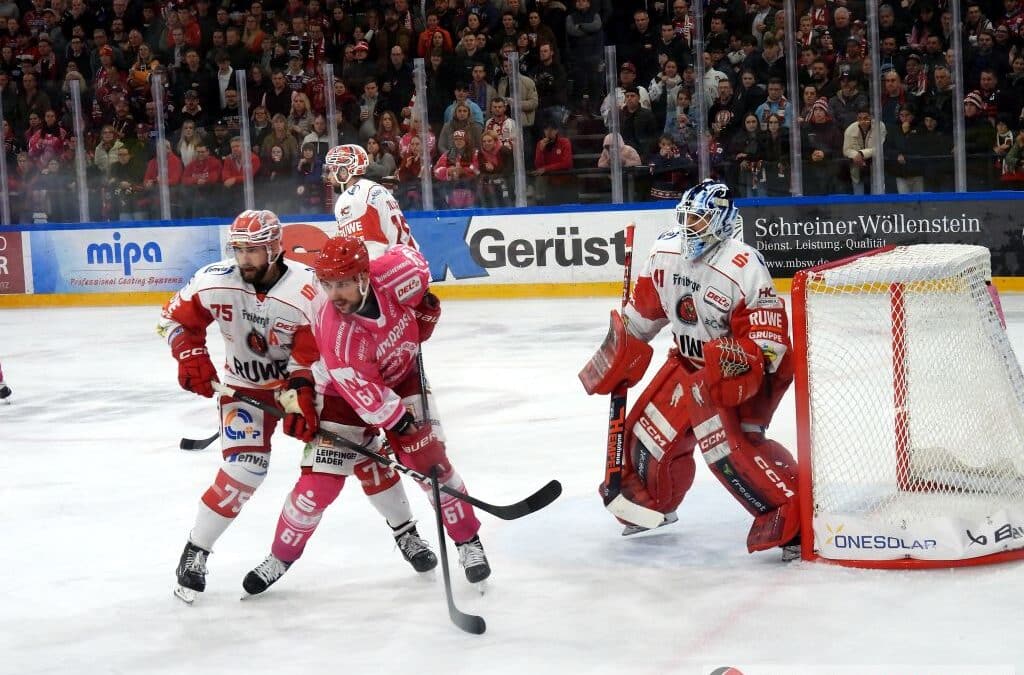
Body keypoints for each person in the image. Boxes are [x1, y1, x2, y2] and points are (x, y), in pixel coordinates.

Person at [159, 209, 434, 603]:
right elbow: (172, 320)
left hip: (307, 386)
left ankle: (406, 532)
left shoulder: (309, 292)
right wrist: (188, 353)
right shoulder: (212, 281)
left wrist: (300, 397)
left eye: (253, 251)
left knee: (367, 458)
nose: (244, 259)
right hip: (245, 391)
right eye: (239, 250)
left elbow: (325, 354)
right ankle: (195, 552)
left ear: (274, 247)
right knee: (243, 470)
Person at [240, 235, 490, 595]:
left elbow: (417, 265)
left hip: (403, 376)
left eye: (342, 284)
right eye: (327, 284)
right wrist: (402, 426)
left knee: (431, 464)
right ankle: (281, 556)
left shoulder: (397, 274)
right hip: (343, 395)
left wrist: (422, 307)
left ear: (363, 278)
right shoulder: (336, 333)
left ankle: (468, 542)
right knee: (316, 489)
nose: (334, 293)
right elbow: (368, 397)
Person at [579, 179, 799, 559]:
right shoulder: (665, 252)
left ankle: (792, 515)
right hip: (689, 363)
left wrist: (731, 364)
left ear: (723, 220)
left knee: (730, 451)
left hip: (743, 373)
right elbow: (643, 316)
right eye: (688, 218)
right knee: (644, 437)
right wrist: (622, 346)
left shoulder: (742, 264)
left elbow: (769, 345)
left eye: (700, 219)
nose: (691, 226)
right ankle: (655, 504)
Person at [325, 144, 415, 255]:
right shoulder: (374, 187)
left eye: (331, 171)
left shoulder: (351, 197)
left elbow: (371, 249)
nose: (328, 177)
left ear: (343, 172)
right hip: (413, 260)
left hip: (393, 265)